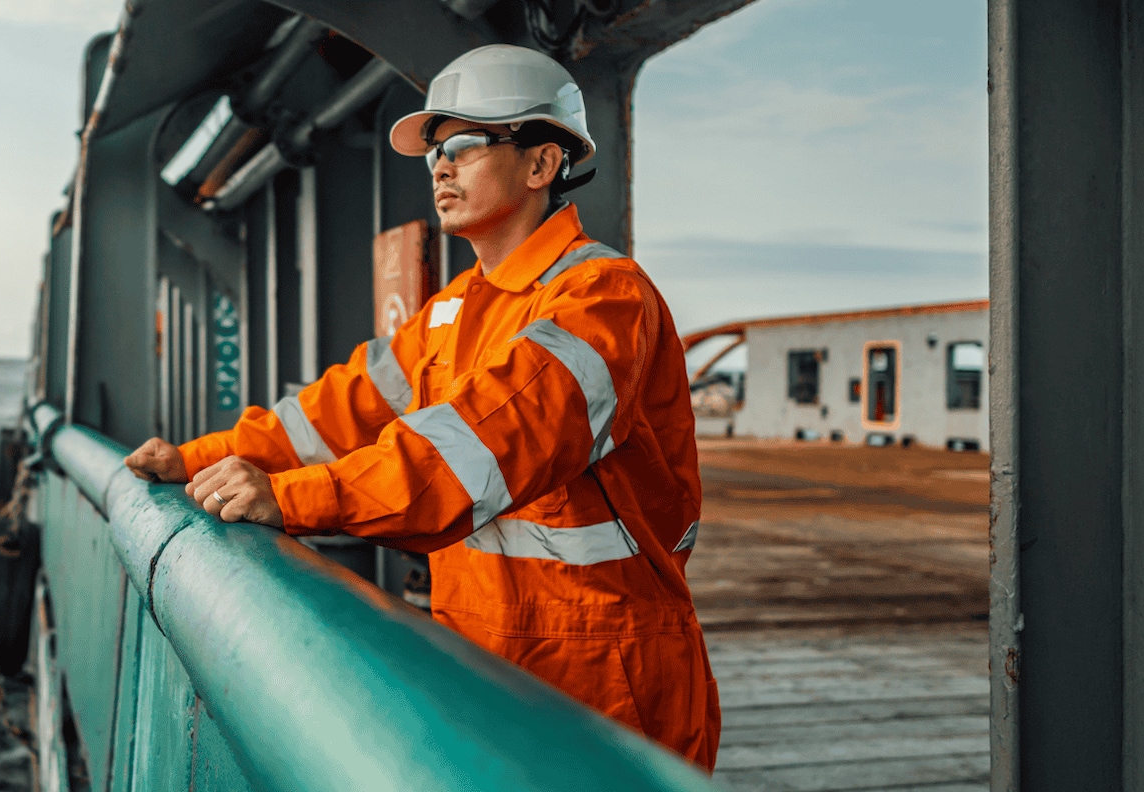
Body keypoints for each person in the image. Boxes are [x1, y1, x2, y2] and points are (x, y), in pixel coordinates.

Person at [123, 44, 719, 770]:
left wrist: (288, 498)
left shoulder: (602, 300)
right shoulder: (452, 311)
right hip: (482, 667)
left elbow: (478, 451)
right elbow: (332, 414)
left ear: (541, 164)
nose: (440, 165)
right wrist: (196, 458)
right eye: (436, 150)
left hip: (603, 685)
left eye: (465, 144)